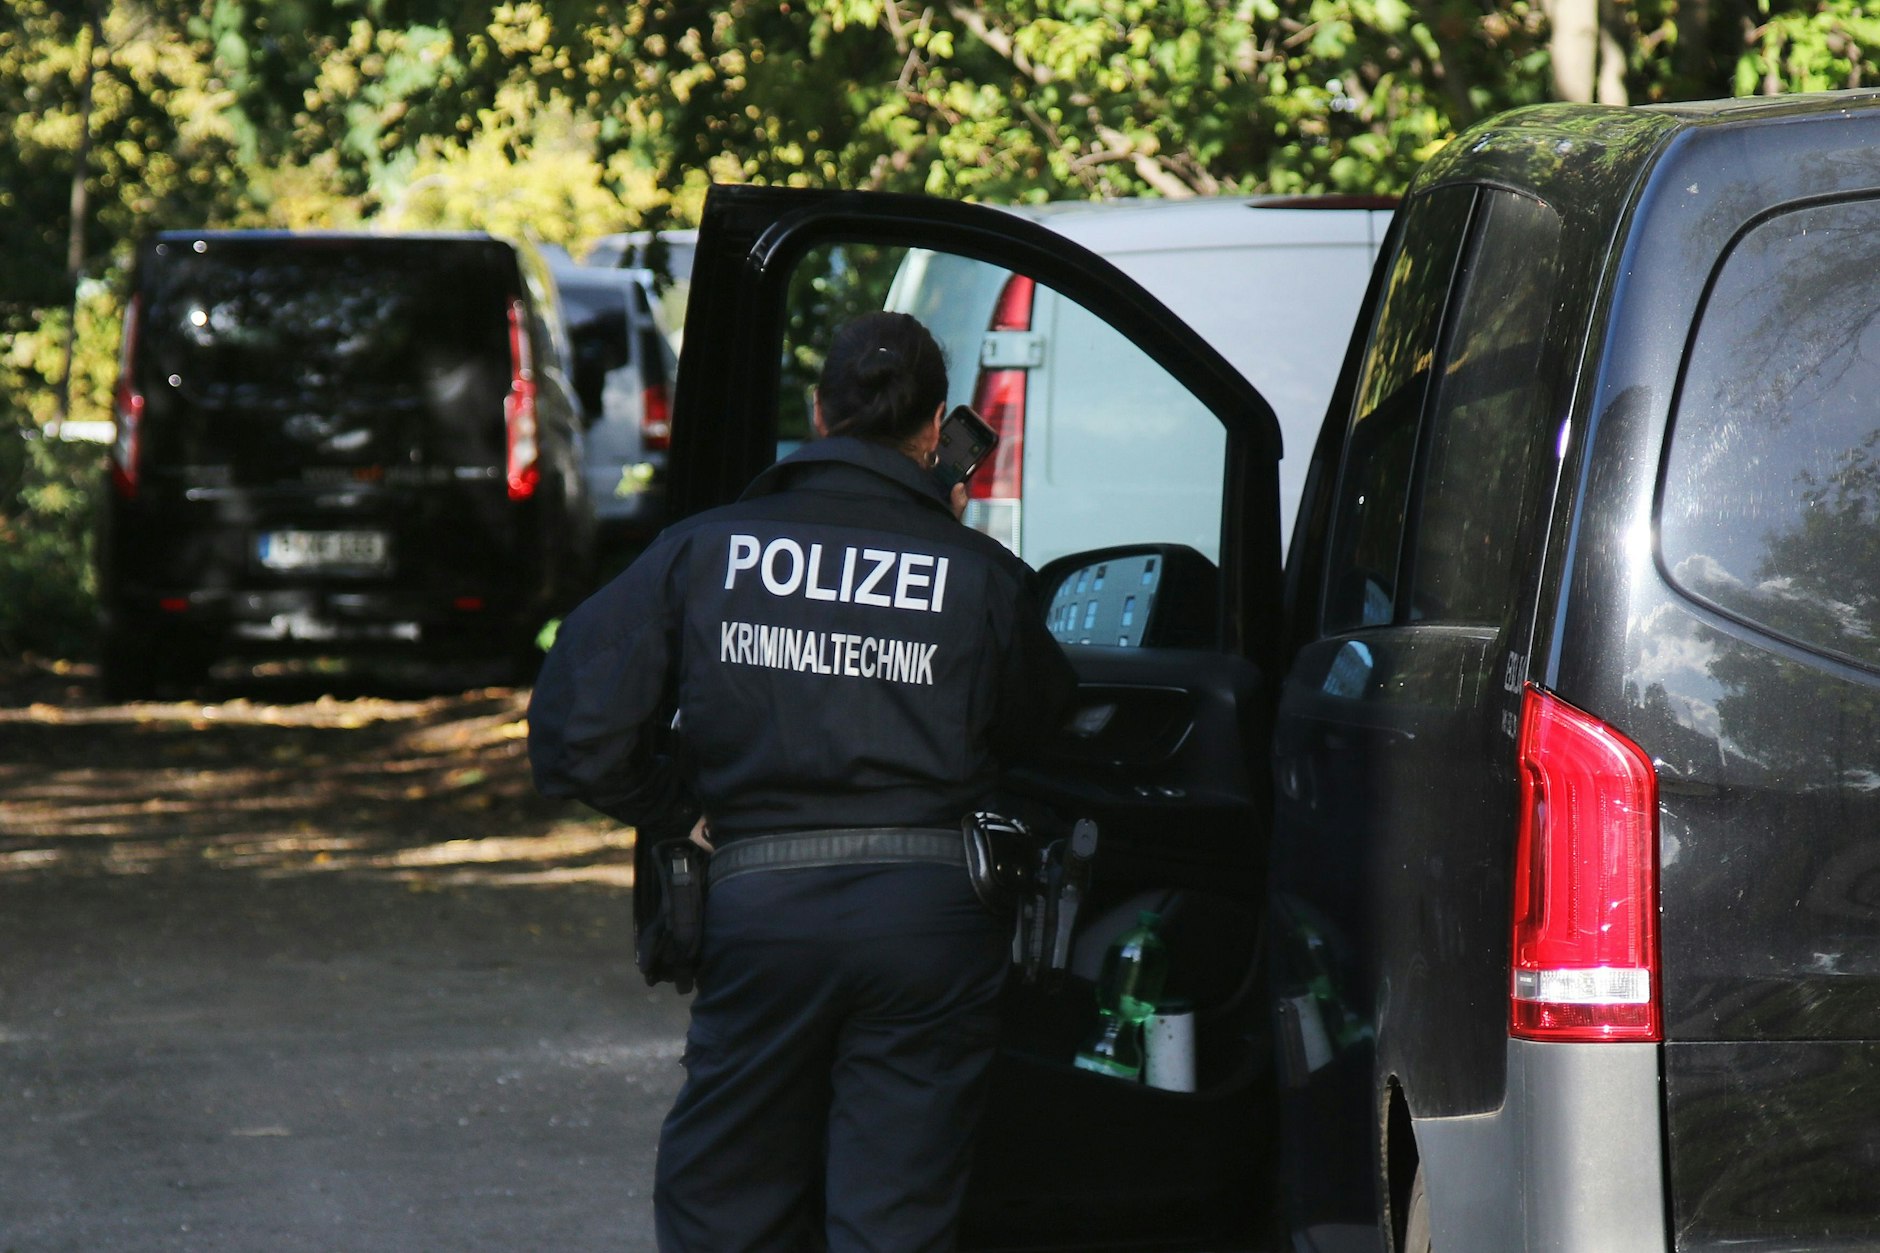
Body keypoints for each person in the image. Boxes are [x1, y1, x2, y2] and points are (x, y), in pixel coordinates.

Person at [528, 310, 1076, 1251]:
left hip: (760, 910)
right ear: (938, 424)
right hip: (930, 925)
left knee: (724, 1200)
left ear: (819, 413)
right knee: (896, 1215)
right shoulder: (981, 575)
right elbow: (1040, 729)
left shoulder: (707, 551)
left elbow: (579, 730)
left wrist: (677, 811)